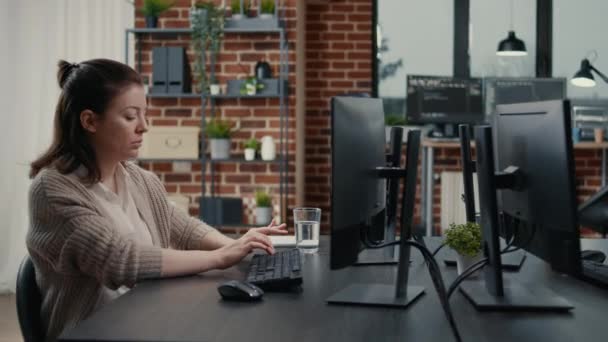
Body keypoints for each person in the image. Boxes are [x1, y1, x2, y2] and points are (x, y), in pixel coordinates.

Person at [27, 58, 287, 341]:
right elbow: (121, 260)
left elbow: (184, 229)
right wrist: (220, 258)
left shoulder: (138, 179)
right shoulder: (52, 190)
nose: (144, 126)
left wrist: (241, 247)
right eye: (130, 116)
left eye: (144, 114)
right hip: (94, 332)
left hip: (148, 321)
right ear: (89, 120)